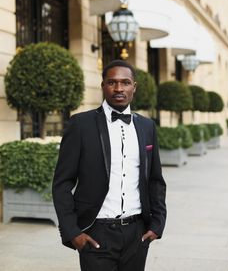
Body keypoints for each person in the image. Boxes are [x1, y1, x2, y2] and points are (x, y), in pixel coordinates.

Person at [52, 59, 166, 271]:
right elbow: (62, 183)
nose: (119, 88)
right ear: (103, 85)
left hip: (137, 233)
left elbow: (155, 179)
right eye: (112, 82)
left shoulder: (147, 126)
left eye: (125, 82)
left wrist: (158, 223)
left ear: (134, 87)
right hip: (96, 232)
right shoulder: (80, 125)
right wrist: (72, 232)